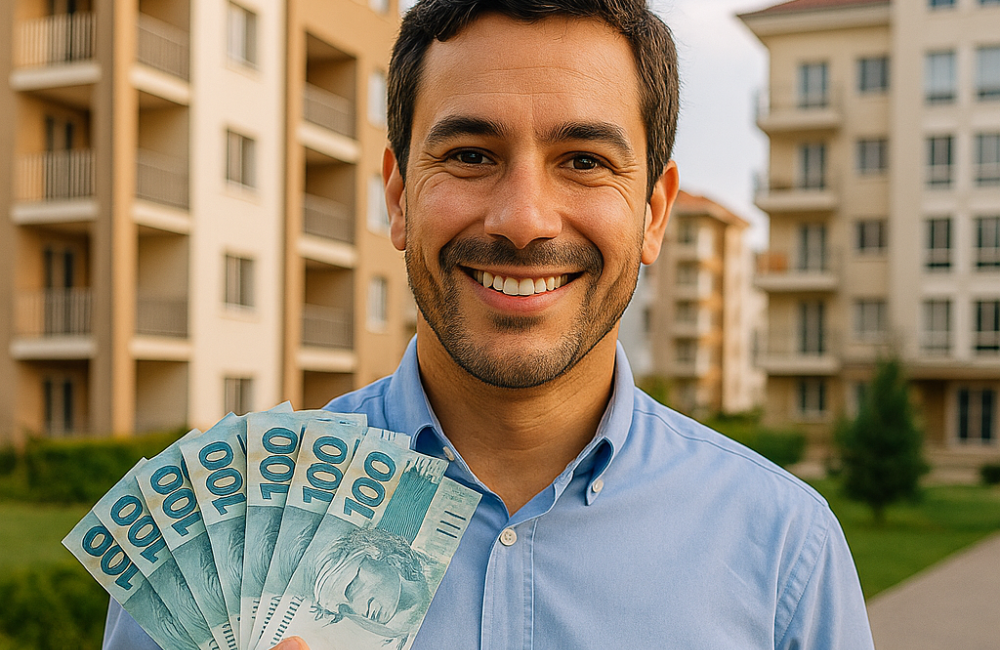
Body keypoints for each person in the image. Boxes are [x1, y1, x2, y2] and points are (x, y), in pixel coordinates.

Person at [103, 0, 875, 648]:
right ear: (399, 197)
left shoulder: (784, 551)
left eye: (583, 160)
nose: (522, 220)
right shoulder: (222, 537)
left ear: (654, 213)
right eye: (471, 155)